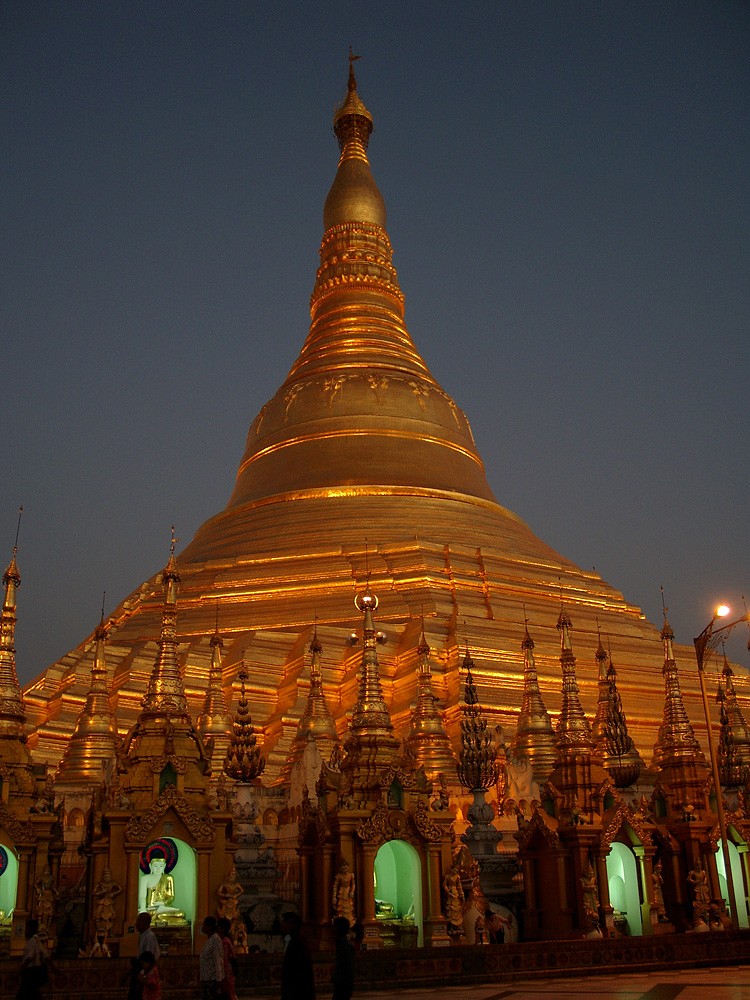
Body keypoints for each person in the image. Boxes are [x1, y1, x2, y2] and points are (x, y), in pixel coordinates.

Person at [281, 912, 315, 1000]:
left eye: (286, 922)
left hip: (298, 991)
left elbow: (297, 970)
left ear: (292, 925)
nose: (283, 924)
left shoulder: (297, 943)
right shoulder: (295, 941)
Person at [18, 918, 51, 1000]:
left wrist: (21, 968)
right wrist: (53, 967)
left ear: (31, 929)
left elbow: (29, 957)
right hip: (35, 972)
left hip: (30, 972)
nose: (25, 931)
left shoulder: (32, 941)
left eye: (27, 928)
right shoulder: (37, 940)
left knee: (25, 994)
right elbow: (45, 955)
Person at [199, 915, 225, 1000]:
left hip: (212, 978)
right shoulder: (210, 940)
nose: (203, 927)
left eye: (204, 925)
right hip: (206, 977)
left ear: (209, 927)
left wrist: (219, 979)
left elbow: (217, 960)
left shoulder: (215, 940)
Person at [331, 916, 354, 1000]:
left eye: (335, 927)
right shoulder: (340, 944)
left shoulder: (346, 946)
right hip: (339, 982)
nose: (333, 929)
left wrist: (349, 986)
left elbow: (349, 967)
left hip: (343, 982)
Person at [217, 916, 237, 1000]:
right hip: (225, 971)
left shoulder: (225, 942)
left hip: (225, 972)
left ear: (221, 929)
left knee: (228, 994)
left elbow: (224, 959)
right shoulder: (224, 940)